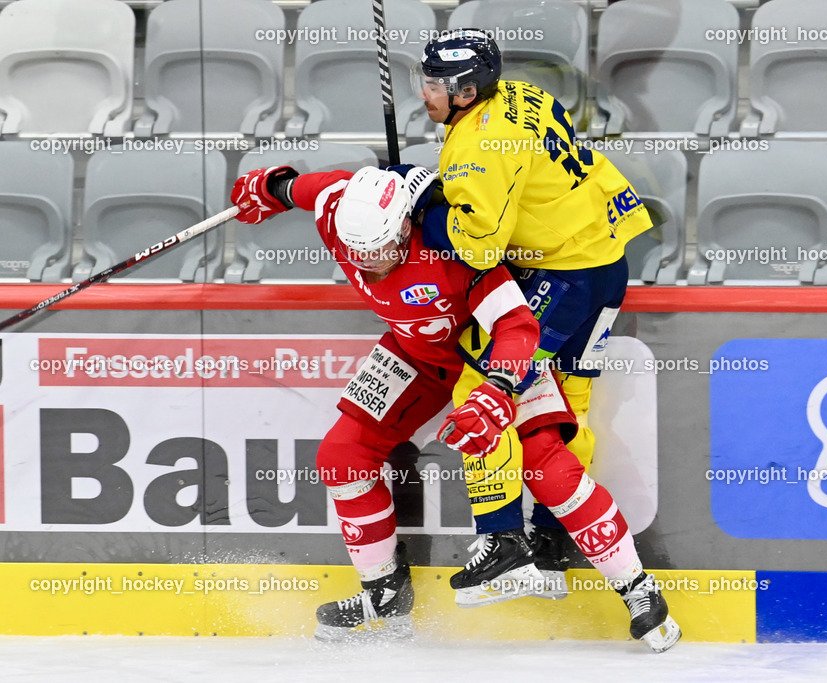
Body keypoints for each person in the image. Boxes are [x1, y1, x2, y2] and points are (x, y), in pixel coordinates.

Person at [230, 165, 680, 653]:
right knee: (341, 456)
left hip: (486, 355)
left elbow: (517, 327)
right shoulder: (338, 210)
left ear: (406, 223)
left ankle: (639, 591)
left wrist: (498, 387)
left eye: (382, 248)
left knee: (545, 465)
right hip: (414, 356)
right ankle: (383, 592)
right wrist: (271, 186)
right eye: (358, 255)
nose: (372, 264)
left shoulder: (458, 246)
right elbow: (305, 188)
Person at [397, 28, 656, 593]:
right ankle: (554, 534)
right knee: (572, 396)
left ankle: (502, 539)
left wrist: (423, 210)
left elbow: (479, 244)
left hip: (559, 275)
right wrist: (445, 189)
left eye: (436, 84)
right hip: (606, 259)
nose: (425, 92)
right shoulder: (520, 93)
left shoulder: (473, 144)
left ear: (467, 91)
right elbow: (520, 174)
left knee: (482, 390)